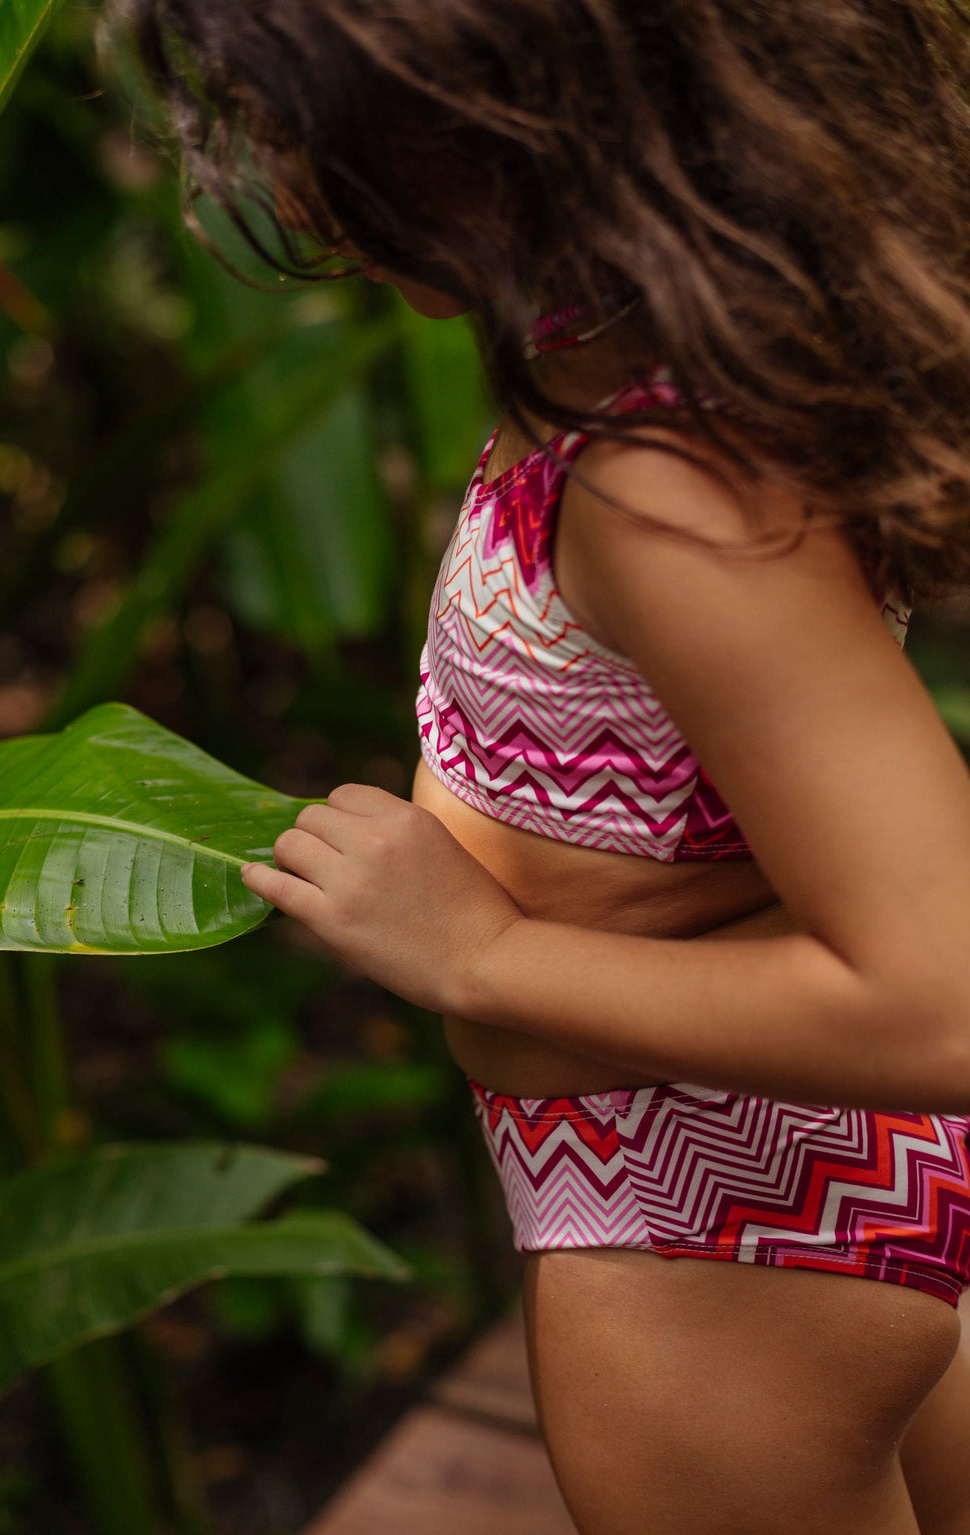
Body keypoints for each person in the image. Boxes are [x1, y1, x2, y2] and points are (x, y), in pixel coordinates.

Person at [114, 3, 970, 1529]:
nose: (292, 186)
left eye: (325, 134)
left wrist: (491, 956)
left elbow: (942, 993)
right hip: (778, 1177)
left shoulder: (665, 486)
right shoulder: (639, 358)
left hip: (712, 1222)